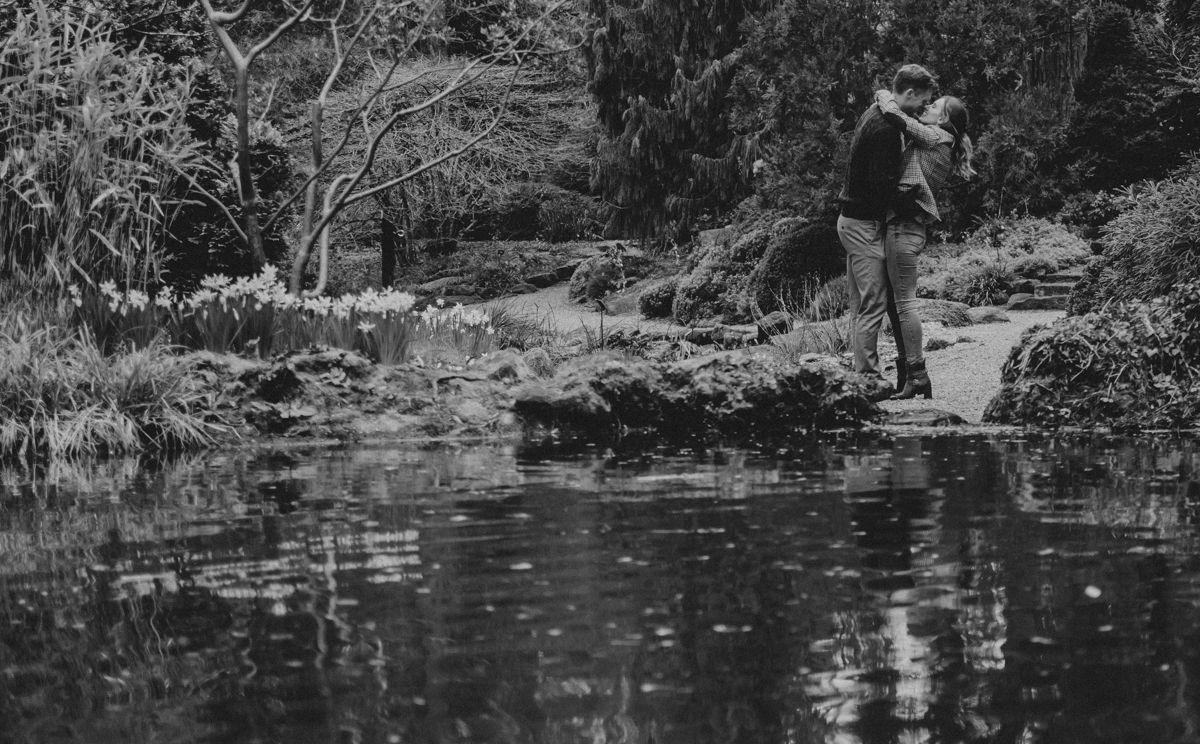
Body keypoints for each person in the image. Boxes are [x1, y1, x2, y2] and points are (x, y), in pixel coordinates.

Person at [837, 64, 936, 398]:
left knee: (861, 304)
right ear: (908, 94)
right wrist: (911, 198)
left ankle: (867, 375)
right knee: (871, 304)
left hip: (854, 221)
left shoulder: (879, 110)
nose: (924, 108)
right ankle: (868, 380)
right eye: (922, 101)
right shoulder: (884, 131)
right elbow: (882, 187)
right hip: (863, 224)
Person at [872, 89, 976, 399]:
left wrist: (884, 95)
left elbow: (897, 117)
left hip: (905, 228)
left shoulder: (937, 137)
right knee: (895, 303)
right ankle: (907, 373)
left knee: (905, 304)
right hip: (903, 227)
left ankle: (918, 375)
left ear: (943, 118)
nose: (927, 106)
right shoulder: (937, 139)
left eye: (934, 105)